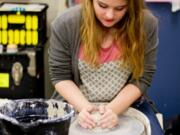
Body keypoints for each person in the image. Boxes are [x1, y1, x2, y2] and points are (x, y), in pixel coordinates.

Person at [49, 0, 163, 134]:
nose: (109, 15)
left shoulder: (146, 24)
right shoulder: (65, 24)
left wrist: (113, 109)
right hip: (75, 102)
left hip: (127, 103)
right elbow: (60, 76)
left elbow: (143, 78)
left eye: (120, 8)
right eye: (102, 6)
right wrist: (85, 109)